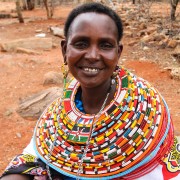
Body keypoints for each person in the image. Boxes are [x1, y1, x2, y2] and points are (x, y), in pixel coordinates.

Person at [1, 2, 180, 180]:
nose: (93, 55)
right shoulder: (57, 115)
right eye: (81, 44)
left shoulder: (146, 115)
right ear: (65, 50)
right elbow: (32, 158)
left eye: (105, 45)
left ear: (118, 53)